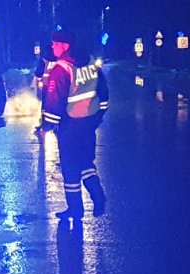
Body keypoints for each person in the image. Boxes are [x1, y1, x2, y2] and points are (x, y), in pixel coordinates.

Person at [41, 31, 109, 220]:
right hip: (89, 122)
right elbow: (103, 92)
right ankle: (98, 195)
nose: (53, 47)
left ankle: (75, 209)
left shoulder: (61, 68)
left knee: (70, 166)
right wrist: (98, 117)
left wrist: (47, 126)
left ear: (64, 46)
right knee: (85, 162)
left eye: (55, 44)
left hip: (69, 125)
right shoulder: (90, 63)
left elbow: (55, 101)